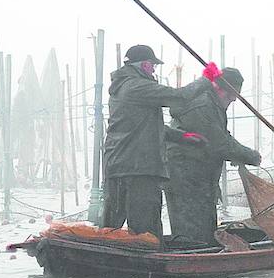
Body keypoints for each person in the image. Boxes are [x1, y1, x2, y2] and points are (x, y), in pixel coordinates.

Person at [101, 44, 204, 237]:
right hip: (139, 169)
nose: (155, 70)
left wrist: (184, 137)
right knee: (146, 231)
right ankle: (149, 262)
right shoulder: (137, 86)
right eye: (153, 66)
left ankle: (104, 262)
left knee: (110, 228)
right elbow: (179, 96)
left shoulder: (121, 88)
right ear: (146, 66)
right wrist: (208, 79)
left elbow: (145, 128)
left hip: (117, 166)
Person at [166, 64, 262, 244]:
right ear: (218, 87)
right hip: (186, 176)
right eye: (230, 94)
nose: (233, 99)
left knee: (204, 228)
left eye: (236, 96)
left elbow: (221, 137)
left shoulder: (213, 104)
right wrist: (248, 156)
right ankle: (191, 262)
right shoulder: (202, 105)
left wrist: (238, 155)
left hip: (199, 177)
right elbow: (218, 143)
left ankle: (199, 255)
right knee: (190, 231)